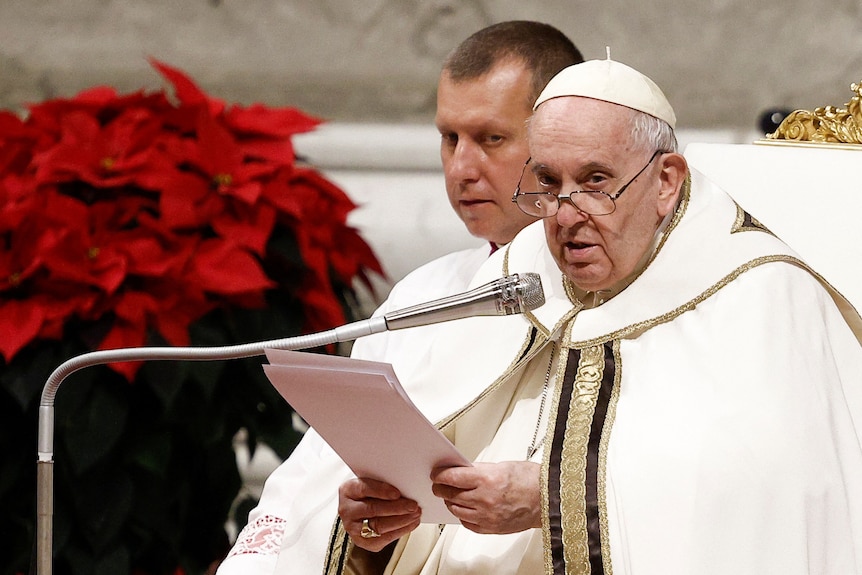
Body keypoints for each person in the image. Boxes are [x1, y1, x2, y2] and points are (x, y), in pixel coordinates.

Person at [332, 59, 862, 574]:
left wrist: (552, 499)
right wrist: (385, 522)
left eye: (594, 182)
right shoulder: (520, 277)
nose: (565, 215)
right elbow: (436, 471)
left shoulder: (761, 290)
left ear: (665, 182)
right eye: (547, 182)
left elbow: (779, 499)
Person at [216, 21, 583, 574]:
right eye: (449, 138)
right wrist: (368, 534)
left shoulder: (614, 299)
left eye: (491, 139)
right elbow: (321, 487)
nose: (461, 167)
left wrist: (551, 499)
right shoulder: (423, 294)